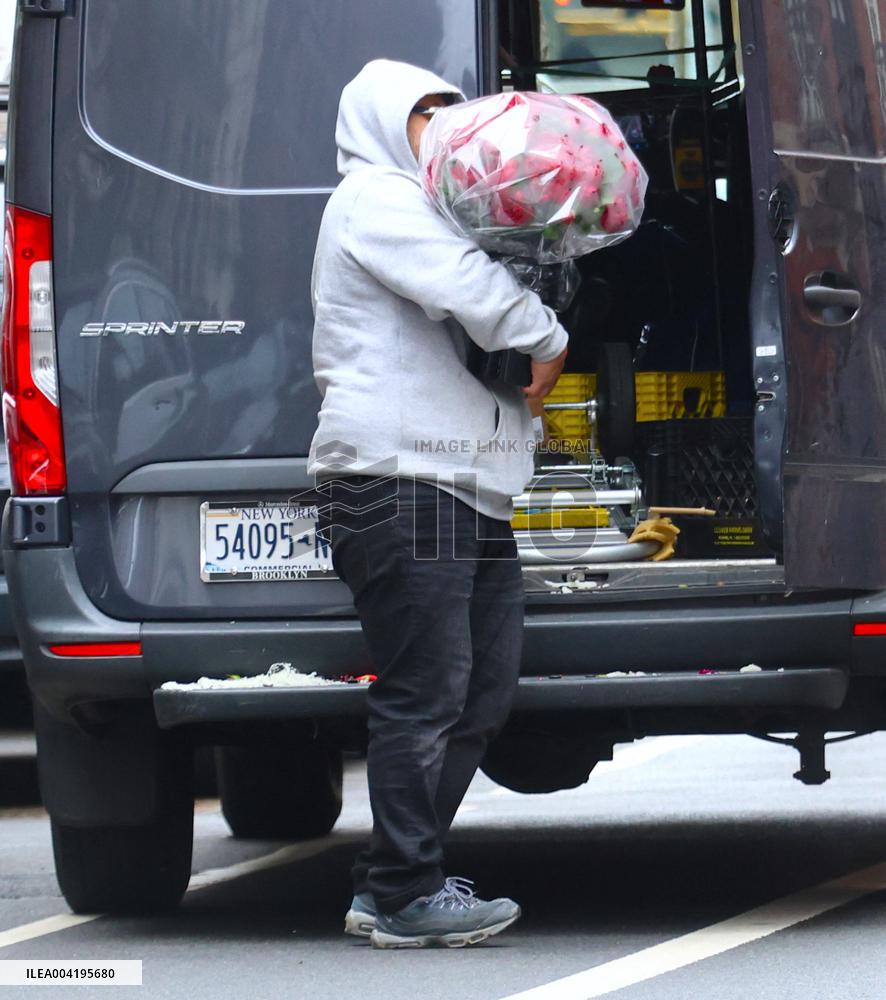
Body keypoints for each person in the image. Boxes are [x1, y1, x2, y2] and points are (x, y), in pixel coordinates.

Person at [309, 59, 568, 949]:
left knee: (482, 688)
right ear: (385, 124)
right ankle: (405, 890)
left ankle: (393, 878)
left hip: (459, 482)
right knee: (429, 690)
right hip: (402, 476)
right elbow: (467, 292)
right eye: (425, 115)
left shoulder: (426, 208)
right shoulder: (377, 198)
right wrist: (546, 336)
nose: (443, 130)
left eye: (452, 115)